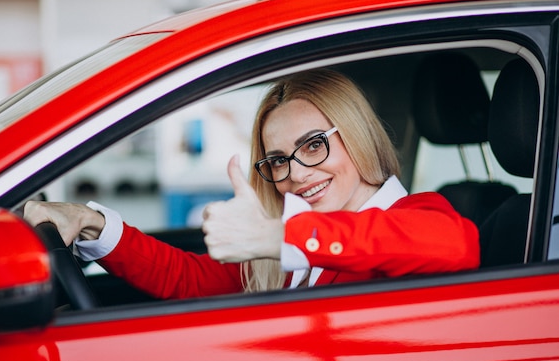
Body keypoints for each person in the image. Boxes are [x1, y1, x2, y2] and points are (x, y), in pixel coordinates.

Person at [24, 69, 479, 299]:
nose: (296, 174)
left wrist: (279, 237)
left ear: (356, 135)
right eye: (278, 160)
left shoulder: (417, 215)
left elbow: (453, 247)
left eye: (315, 144)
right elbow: (189, 278)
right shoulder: (292, 247)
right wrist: (91, 222)